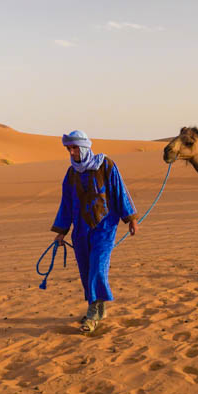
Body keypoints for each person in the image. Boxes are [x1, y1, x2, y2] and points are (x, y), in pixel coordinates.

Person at [50, 130, 138, 333]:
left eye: (74, 148)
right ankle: (97, 307)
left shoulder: (106, 165)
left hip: (104, 227)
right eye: (68, 148)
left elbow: (119, 191)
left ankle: (93, 314)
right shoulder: (72, 173)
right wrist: (62, 231)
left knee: (98, 266)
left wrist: (131, 219)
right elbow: (66, 203)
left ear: (84, 148)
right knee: (86, 269)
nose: (71, 152)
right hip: (80, 229)